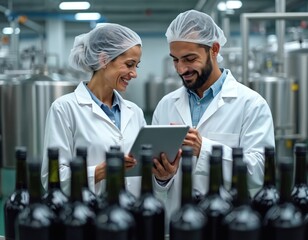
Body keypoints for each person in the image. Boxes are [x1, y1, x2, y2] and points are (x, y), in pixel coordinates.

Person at [151, 9, 275, 225]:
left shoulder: (250, 104)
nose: (181, 69)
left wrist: (204, 148)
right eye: (175, 60)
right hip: (179, 222)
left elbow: (260, 172)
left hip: (228, 223)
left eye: (190, 59)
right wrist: (163, 176)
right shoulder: (166, 105)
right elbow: (157, 180)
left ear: (214, 50)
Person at [41, 23, 146, 198]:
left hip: (131, 215)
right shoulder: (65, 108)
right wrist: (100, 171)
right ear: (104, 59)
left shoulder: (135, 112)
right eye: (129, 64)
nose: (134, 73)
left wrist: (161, 173)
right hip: (89, 215)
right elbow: (52, 177)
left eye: (137, 66)